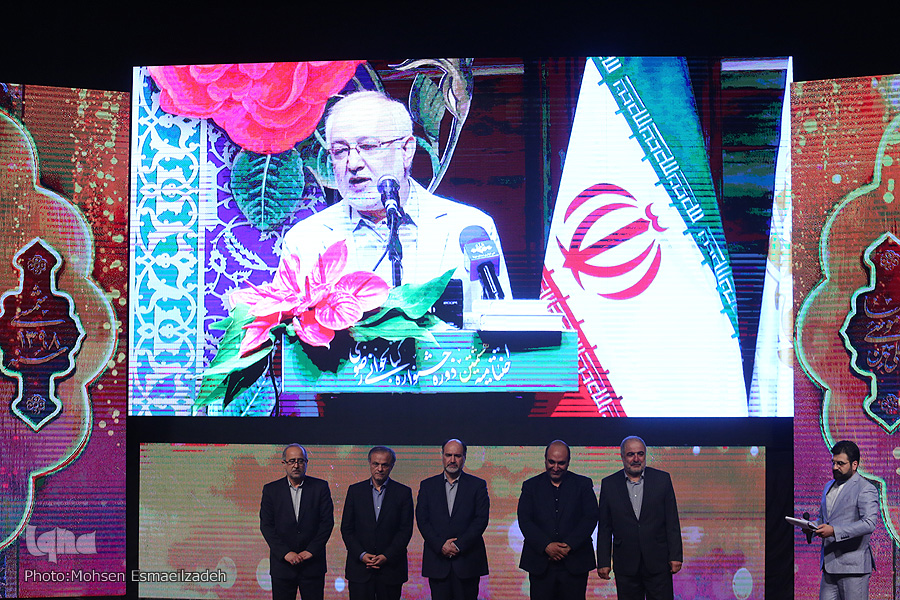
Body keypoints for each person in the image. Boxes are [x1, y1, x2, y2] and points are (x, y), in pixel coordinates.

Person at [279, 90, 511, 308]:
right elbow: (281, 329)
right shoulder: (304, 240)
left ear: (406, 150)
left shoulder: (468, 228)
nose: (353, 163)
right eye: (340, 151)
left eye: (368, 146)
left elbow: (500, 322)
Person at [596, 436, 682, 600]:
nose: (636, 459)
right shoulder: (609, 484)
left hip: (658, 562)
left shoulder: (662, 480)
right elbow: (605, 527)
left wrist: (676, 556)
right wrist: (603, 562)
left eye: (640, 454)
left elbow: (672, 521)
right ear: (622, 457)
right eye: (631, 454)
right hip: (625, 563)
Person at [517, 440, 598, 600]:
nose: (555, 467)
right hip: (540, 564)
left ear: (568, 462)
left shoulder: (583, 484)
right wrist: (546, 546)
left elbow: (590, 517)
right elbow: (525, 520)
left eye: (561, 463)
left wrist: (568, 546)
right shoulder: (530, 486)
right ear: (545, 460)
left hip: (575, 563)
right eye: (551, 462)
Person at [415, 439, 490, 600]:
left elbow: (481, 520)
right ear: (442, 456)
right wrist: (440, 545)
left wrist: (458, 545)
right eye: (448, 455)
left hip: (467, 562)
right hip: (437, 561)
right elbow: (422, 519)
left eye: (457, 456)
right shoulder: (427, 485)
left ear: (464, 457)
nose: (452, 460)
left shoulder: (478, 485)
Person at [260, 444, 334, 600]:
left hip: (313, 565)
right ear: (284, 463)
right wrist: (285, 553)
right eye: (292, 461)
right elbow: (266, 526)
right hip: (282, 566)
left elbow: (327, 523)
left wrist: (311, 551)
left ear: (306, 463)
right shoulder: (271, 490)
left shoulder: (320, 487)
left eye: (300, 461)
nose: (296, 465)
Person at [340, 446, 414, 600]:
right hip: (360, 569)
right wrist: (362, 555)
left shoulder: (403, 493)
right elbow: (347, 529)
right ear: (369, 463)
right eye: (376, 464)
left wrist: (386, 556)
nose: (380, 469)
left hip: (391, 570)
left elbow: (405, 531)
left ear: (392, 466)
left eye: (384, 465)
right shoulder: (355, 491)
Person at [811, 440, 879, 600]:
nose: (835, 467)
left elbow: (869, 523)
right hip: (829, 566)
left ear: (854, 465)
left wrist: (834, 531)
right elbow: (824, 519)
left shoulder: (865, 488)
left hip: (853, 568)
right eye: (833, 462)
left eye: (840, 463)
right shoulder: (828, 486)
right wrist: (811, 527)